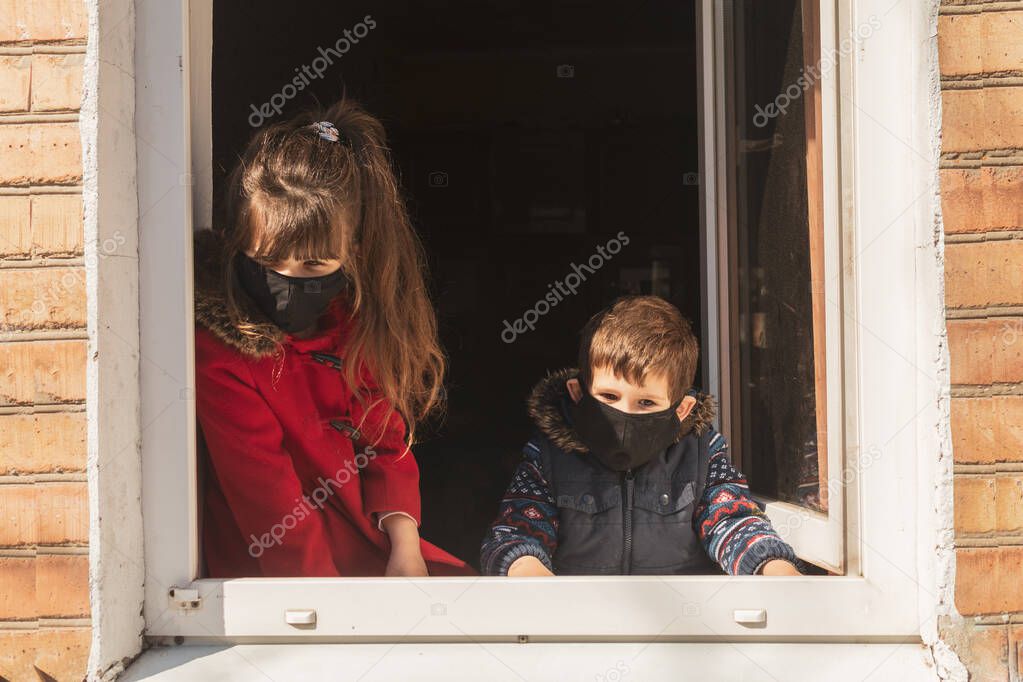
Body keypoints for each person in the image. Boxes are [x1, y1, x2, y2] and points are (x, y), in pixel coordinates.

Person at [193, 99, 471, 577]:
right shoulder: (220, 354)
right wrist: (333, 615)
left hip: (369, 546)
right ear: (237, 242)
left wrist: (405, 546)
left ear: (353, 255)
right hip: (284, 576)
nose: (286, 281)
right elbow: (271, 510)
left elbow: (386, 440)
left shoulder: (353, 324)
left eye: (314, 266)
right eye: (267, 262)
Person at [480, 295, 804, 576]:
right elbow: (517, 530)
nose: (625, 415)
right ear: (578, 393)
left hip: (679, 626)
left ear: (681, 409)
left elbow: (731, 520)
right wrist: (530, 572)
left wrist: (774, 568)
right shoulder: (548, 456)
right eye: (609, 397)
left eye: (646, 402)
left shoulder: (701, 453)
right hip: (580, 623)